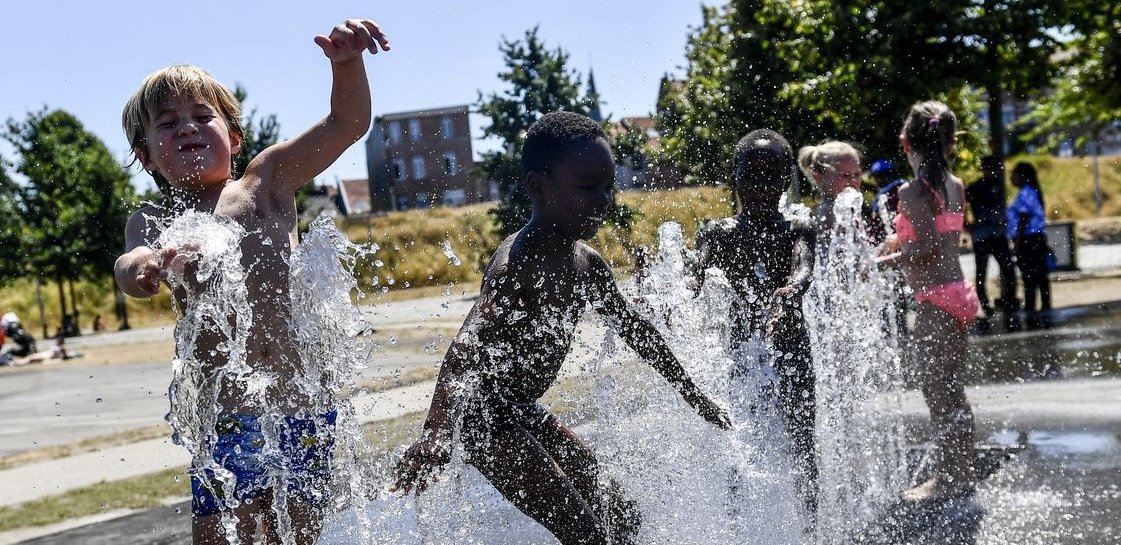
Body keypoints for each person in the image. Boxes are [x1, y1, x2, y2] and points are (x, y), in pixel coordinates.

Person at [393, 111, 730, 545]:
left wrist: (695, 396)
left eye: (609, 186)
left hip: (518, 409)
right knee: (586, 534)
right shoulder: (517, 265)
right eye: (588, 188)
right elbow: (465, 349)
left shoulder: (586, 263)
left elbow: (638, 332)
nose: (604, 199)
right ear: (538, 187)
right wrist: (436, 437)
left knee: (621, 516)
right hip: (483, 420)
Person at [113, 19, 390, 545]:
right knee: (219, 537)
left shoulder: (268, 181)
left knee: (299, 535)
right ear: (146, 155)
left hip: (302, 407)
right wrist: (144, 269)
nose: (187, 127)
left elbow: (347, 123)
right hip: (227, 418)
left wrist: (347, 64)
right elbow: (129, 262)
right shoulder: (153, 221)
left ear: (234, 137)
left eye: (201, 116)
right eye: (167, 124)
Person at [692, 129, 818, 518]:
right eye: (751, 175)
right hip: (741, 358)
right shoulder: (717, 234)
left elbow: (803, 266)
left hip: (792, 349)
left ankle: (811, 531)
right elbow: (693, 278)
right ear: (737, 177)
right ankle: (740, 528)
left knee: (802, 444)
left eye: (771, 175)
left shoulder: (797, 228)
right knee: (739, 445)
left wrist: (791, 289)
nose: (760, 185)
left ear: (785, 180)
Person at [878, 101, 978, 502]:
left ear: (905, 143)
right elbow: (941, 236)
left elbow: (928, 246)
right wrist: (899, 241)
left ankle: (947, 479)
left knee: (938, 393)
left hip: (935, 302)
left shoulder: (913, 191)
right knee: (953, 391)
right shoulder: (955, 185)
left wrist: (881, 261)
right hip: (958, 294)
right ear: (951, 144)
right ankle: (962, 472)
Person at [966, 156, 1019, 330]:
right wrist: (966, 224)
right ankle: (985, 307)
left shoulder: (999, 186)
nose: (993, 172)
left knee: (1008, 270)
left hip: (997, 235)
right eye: (990, 168)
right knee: (982, 273)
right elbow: (960, 204)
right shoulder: (975, 187)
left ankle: (1009, 303)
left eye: (995, 168)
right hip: (982, 235)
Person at [1008, 162, 1052, 329]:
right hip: (1037, 238)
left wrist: (1017, 242)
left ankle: (1031, 310)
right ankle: (1044, 307)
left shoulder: (1026, 192)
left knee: (1030, 276)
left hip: (1028, 240)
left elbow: (1023, 218)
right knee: (1040, 275)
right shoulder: (1032, 191)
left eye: (1015, 174)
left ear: (1023, 176)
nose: (1012, 177)